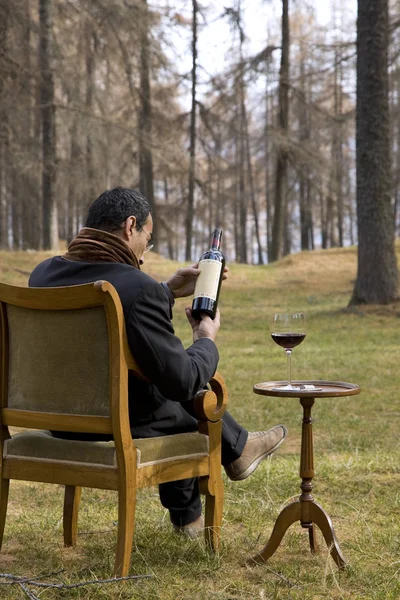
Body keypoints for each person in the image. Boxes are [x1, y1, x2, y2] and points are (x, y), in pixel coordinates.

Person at [29, 187, 287, 537]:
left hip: (60, 420)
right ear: (130, 227)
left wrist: (164, 291)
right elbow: (182, 380)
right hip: (115, 423)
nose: (144, 255)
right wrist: (205, 340)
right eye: (147, 240)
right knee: (191, 404)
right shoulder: (135, 287)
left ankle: (218, 480)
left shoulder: (42, 275)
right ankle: (231, 459)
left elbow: (120, 304)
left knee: (169, 398)